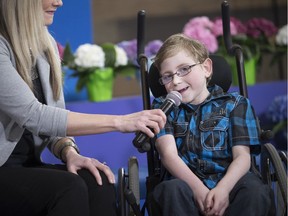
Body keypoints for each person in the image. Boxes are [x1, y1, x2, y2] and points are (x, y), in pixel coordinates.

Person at [0, 1, 166, 216]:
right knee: (68, 188)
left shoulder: (44, 42)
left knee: (98, 180)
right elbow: (35, 116)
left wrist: (70, 153)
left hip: (25, 167)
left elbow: (53, 129)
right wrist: (121, 121)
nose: (59, 2)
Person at [149, 33, 274, 216]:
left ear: (206, 68)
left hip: (230, 182)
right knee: (171, 190)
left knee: (255, 191)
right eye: (167, 77)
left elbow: (242, 157)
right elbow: (169, 156)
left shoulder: (235, 104)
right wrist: (198, 189)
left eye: (184, 69)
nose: (175, 81)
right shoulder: (163, 107)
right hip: (185, 185)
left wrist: (222, 189)